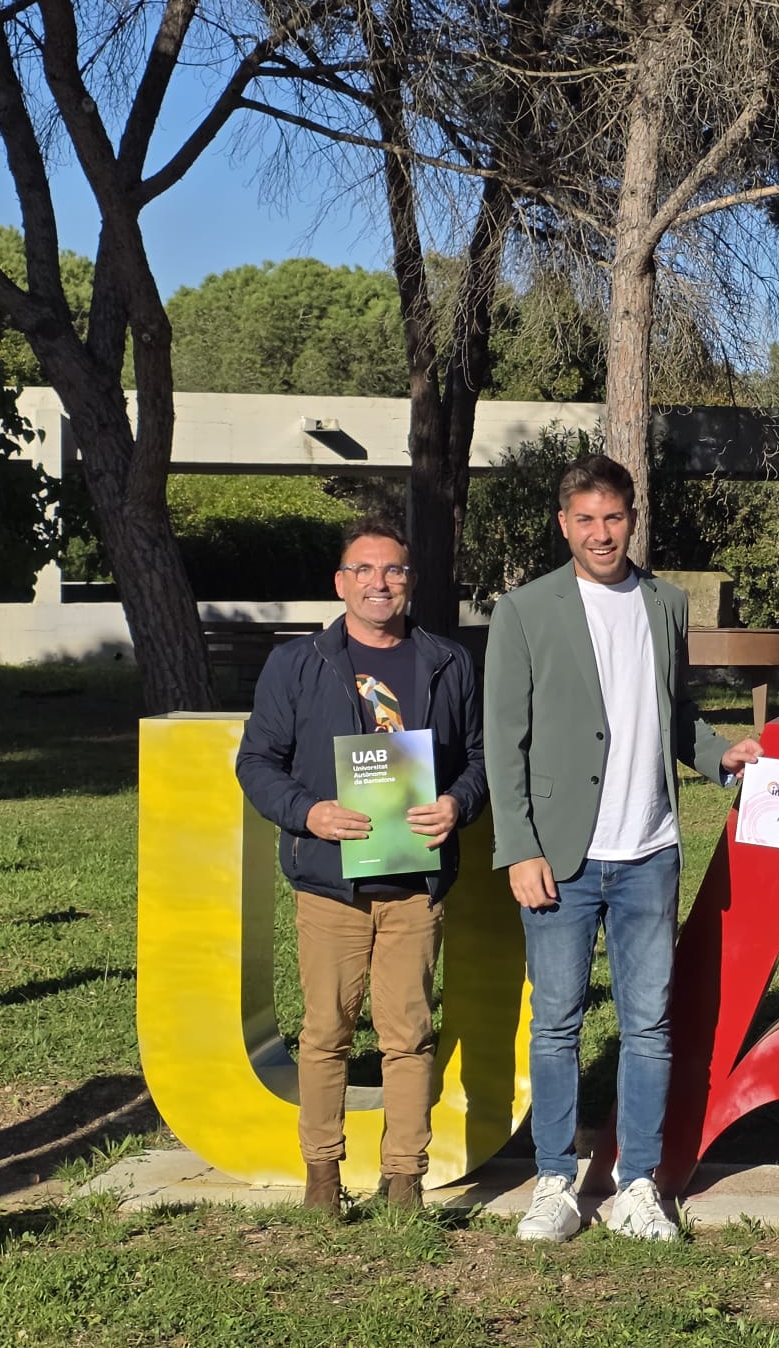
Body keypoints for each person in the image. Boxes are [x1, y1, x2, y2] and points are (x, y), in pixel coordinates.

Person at [485, 454, 762, 1243]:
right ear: (564, 524)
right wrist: (520, 847)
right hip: (559, 858)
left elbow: (674, 713)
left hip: (649, 851)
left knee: (649, 1027)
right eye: (586, 519)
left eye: (613, 517)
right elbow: (503, 741)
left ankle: (638, 1184)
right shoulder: (524, 611)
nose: (601, 533)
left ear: (632, 519)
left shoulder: (666, 603)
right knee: (556, 1025)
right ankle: (554, 1182)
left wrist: (720, 756)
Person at [236, 515, 487, 1216]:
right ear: (341, 583)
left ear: (411, 581)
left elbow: (479, 757)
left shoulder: (447, 661)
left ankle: (404, 1178)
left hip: (415, 881)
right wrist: (308, 813)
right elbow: (256, 762)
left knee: (409, 1034)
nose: (380, 582)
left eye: (394, 570)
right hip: (330, 883)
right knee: (325, 1033)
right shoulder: (299, 664)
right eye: (364, 570)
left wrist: (457, 803)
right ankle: (322, 1175)